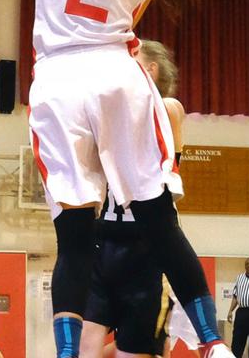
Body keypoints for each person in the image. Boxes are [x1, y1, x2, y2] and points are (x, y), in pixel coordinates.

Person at [4, 0, 229, 358]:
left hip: (58, 79)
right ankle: (214, 345)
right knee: (160, 222)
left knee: (73, 241)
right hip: (115, 71)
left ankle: (63, 353)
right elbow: (127, 15)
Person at [79, 40, 190, 358]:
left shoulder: (168, 108)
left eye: (131, 59)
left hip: (144, 248)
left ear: (149, 70)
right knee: (86, 344)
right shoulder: (114, 120)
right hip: (106, 244)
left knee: (138, 349)